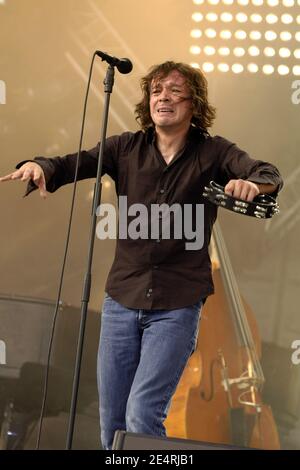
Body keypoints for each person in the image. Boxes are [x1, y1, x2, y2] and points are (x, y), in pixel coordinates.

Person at [0, 61, 283, 449]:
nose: (163, 97)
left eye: (174, 90)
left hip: (177, 304)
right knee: (111, 421)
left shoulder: (215, 152)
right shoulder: (125, 147)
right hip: (122, 299)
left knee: (142, 411)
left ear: (194, 104)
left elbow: (268, 173)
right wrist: (38, 166)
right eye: (156, 91)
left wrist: (252, 184)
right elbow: (72, 163)